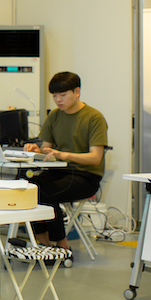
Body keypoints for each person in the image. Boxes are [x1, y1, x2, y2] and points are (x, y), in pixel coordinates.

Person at [23, 72, 107, 257]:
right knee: (28, 188)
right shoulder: (54, 116)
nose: (58, 100)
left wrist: (64, 155)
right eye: (54, 96)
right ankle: (43, 243)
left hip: (86, 176)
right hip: (60, 172)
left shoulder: (94, 117)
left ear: (77, 92)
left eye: (63, 95)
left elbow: (95, 158)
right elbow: (46, 149)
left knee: (46, 192)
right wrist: (35, 150)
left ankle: (62, 246)